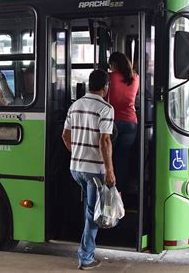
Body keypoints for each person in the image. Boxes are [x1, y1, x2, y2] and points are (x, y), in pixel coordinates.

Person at [62, 69, 116, 270]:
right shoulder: (105, 108)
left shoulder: (74, 106)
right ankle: (86, 258)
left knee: (89, 210)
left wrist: (77, 152)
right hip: (94, 170)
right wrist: (109, 170)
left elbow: (65, 136)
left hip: (76, 169)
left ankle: (86, 250)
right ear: (106, 87)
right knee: (93, 214)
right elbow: (105, 140)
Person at [108, 52, 140, 193]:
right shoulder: (136, 78)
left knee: (109, 157)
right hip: (131, 123)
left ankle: (110, 190)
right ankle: (119, 193)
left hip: (113, 122)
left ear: (114, 63)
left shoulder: (111, 77)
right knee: (123, 159)